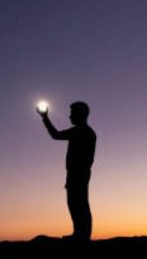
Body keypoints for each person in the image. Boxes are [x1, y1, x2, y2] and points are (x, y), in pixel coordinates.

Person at [37, 101, 96, 241]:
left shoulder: (82, 132)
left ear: (80, 114)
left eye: (72, 114)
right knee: (76, 203)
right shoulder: (83, 132)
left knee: (78, 203)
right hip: (77, 173)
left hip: (78, 174)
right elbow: (56, 135)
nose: (70, 116)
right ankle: (80, 233)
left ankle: (82, 235)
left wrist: (45, 118)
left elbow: (55, 135)